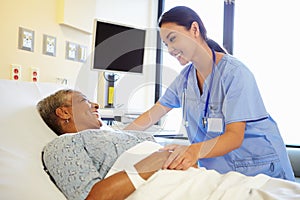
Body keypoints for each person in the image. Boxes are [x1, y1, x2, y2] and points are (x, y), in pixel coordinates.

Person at [124, 6, 295, 181]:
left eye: (173, 39)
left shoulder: (235, 73)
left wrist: (193, 151)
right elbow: (154, 113)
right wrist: (120, 137)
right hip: (223, 175)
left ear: (195, 29)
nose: (170, 50)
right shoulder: (185, 79)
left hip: (261, 170)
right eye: (166, 44)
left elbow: (234, 137)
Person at [37, 89, 173, 200]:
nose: (96, 105)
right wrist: (154, 161)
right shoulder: (63, 145)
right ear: (64, 112)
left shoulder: (117, 135)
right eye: (84, 100)